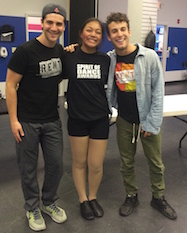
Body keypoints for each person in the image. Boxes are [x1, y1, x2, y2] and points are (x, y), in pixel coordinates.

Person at [105, 12, 177, 220]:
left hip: (147, 119)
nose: (119, 34)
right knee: (126, 162)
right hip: (125, 120)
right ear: (109, 36)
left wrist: (152, 123)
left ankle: (158, 197)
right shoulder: (110, 59)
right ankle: (131, 195)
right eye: (114, 31)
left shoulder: (149, 56)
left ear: (129, 31)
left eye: (122, 29)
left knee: (155, 162)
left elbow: (158, 92)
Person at [5, 3, 67, 231]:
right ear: (42, 23)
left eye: (58, 23)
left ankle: (49, 202)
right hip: (27, 121)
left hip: (51, 119)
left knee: (56, 165)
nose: (54, 27)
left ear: (63, 26)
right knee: (28, 168)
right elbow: (10, 85)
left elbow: (55, 78)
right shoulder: (25, 51)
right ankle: (32, 207)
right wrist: (13, 120)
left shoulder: (60, 52)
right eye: (49, 22)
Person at [63, 18, 110, 220]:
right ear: (81, 33)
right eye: (89, 30)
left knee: (96, 164)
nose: (93, 34)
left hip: (100, 117)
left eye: (98, 32)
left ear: (101, 37)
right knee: (80, 162)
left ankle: (93, 197)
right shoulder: (68, 56)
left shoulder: (106, 60)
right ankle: (83, 199)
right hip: (77, 118)